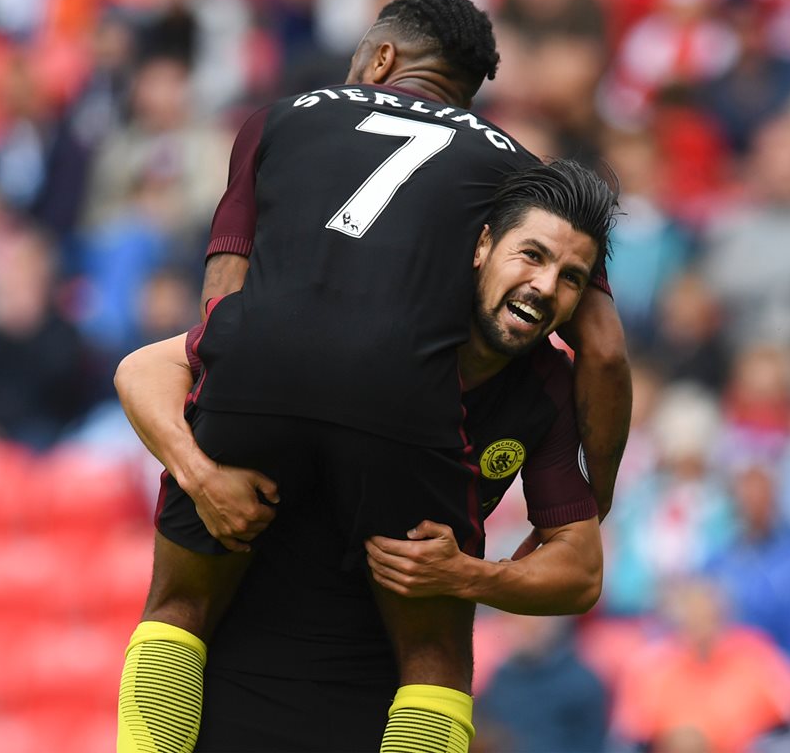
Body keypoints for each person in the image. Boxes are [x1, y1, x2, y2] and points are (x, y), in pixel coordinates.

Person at [117, 159, 616, 751]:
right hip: (244, 637)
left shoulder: (546, 389)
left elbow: (581, 571)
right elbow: (145, 369)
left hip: (384, 683)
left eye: (570, 277)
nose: (545, 285)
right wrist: (200, 476)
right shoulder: (373, 314)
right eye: (532, 255)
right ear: (483, 245)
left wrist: (467, 576)